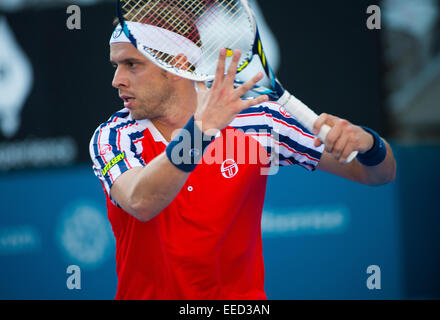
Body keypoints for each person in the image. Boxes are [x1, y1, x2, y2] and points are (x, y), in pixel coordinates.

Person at [89, 19, 396, 300]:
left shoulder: (259, 118)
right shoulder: (114, 135)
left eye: (132, 64)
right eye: (116, 65)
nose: (117, 80)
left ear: (176, 63)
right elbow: (141, 201)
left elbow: (376, 175)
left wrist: (368, 143)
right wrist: (201, 132)